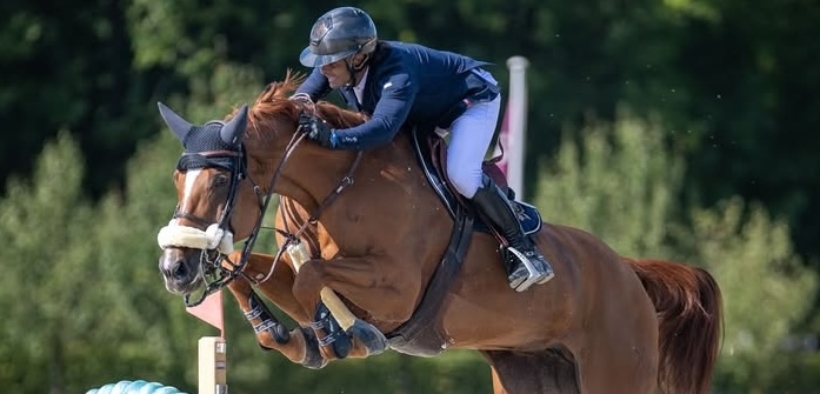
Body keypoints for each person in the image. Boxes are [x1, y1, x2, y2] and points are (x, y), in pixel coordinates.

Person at [295, 6, 553, 292]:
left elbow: (382, 130)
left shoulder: (397, 73)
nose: (323, 69)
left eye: (331, 62)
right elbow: (302, 97)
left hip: (469, 103)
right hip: (424, 112)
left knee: (461, 174)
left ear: (358, 58)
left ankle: (523, 248)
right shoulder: (340, 68)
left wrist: (331, 139)